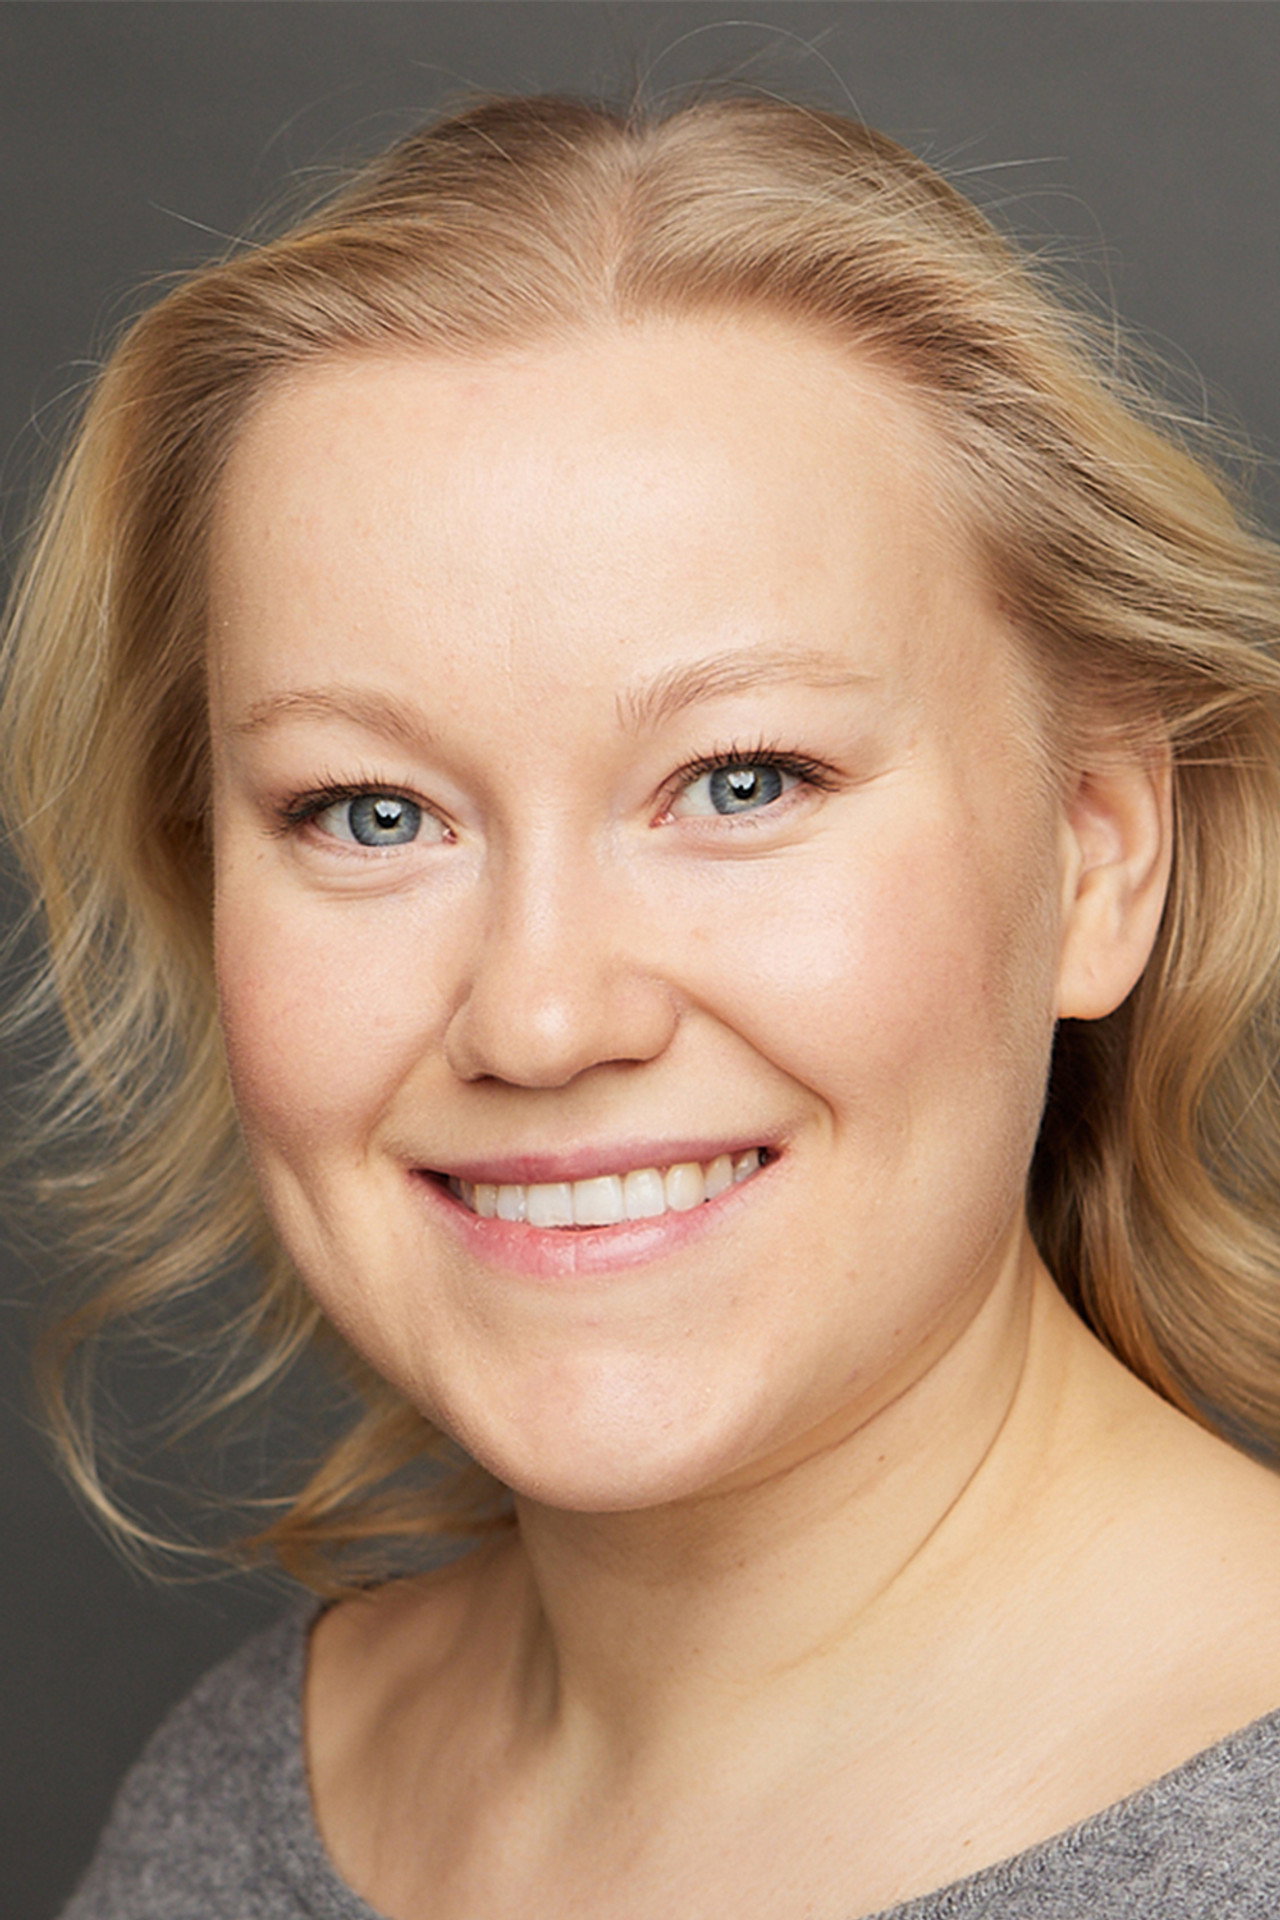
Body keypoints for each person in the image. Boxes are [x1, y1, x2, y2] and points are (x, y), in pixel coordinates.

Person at [6, 88, 1280, 1920]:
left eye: (742, 782)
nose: (540, 1019)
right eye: (371, 813)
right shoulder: (232, 1809)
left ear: (1096, 855)